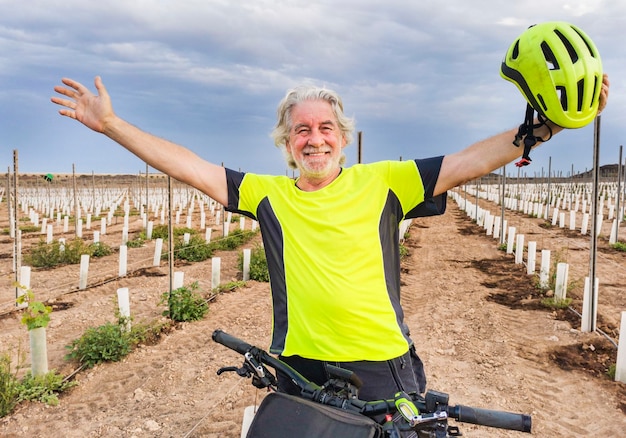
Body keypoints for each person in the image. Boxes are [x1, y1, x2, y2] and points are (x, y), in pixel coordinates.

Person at [51, 72, 609, 402]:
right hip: (299, 367)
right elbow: (190, 166)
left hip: (381, 366)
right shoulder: (267, 194)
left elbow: (468, 160)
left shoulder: (386, 181)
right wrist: (113, 126)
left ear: (342, 138)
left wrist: (549, 125)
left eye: (324, 129)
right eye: (301, 130)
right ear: (286, 143)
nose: (313, 139)